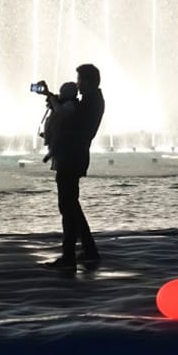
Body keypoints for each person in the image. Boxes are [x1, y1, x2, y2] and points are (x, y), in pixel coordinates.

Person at [44, 63, 105, 272]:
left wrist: (57, 104)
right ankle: (89, 250)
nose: (77, 85)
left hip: (71, 156)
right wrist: (57, 99)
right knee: (72, 205)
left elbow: (71, 121)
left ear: (87, 82)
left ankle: (68, 256)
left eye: (79, 81)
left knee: (67, 206)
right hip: (73, 156)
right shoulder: (91, 100)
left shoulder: (90, 103)